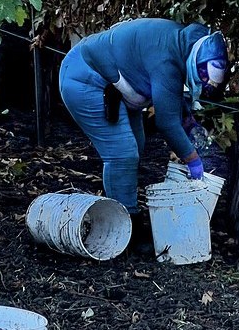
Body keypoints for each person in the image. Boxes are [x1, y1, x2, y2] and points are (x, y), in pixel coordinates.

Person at [59, 18, 229, 248]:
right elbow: (167, 123)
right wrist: (194, 161)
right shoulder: (168, 60)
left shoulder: (185, 44)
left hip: (116, 82)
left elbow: (176, 105)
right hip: (84, 76)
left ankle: (119, 203)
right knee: (123, 154)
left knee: (136, 145)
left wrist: (195, 135)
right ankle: (125, 230)